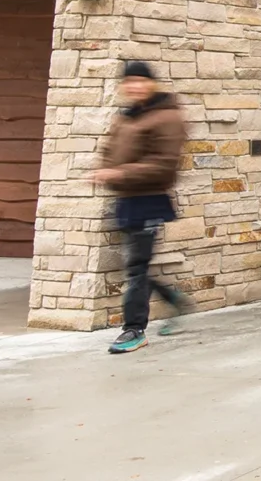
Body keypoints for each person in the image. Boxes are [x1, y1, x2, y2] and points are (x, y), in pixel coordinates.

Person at [92, 59, 193, 353]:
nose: (134, 86)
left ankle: (134, 329)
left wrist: (119, 173)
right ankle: (173, 299)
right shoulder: (127, 117)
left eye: (140, 80)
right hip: (125, 200)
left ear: (151, 84)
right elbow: (110, 151)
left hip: (148, 200)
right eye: (129, 81)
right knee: (136, 266)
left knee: (136, 267)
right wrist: (104, 170)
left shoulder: (167, 118)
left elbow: (164, 165)